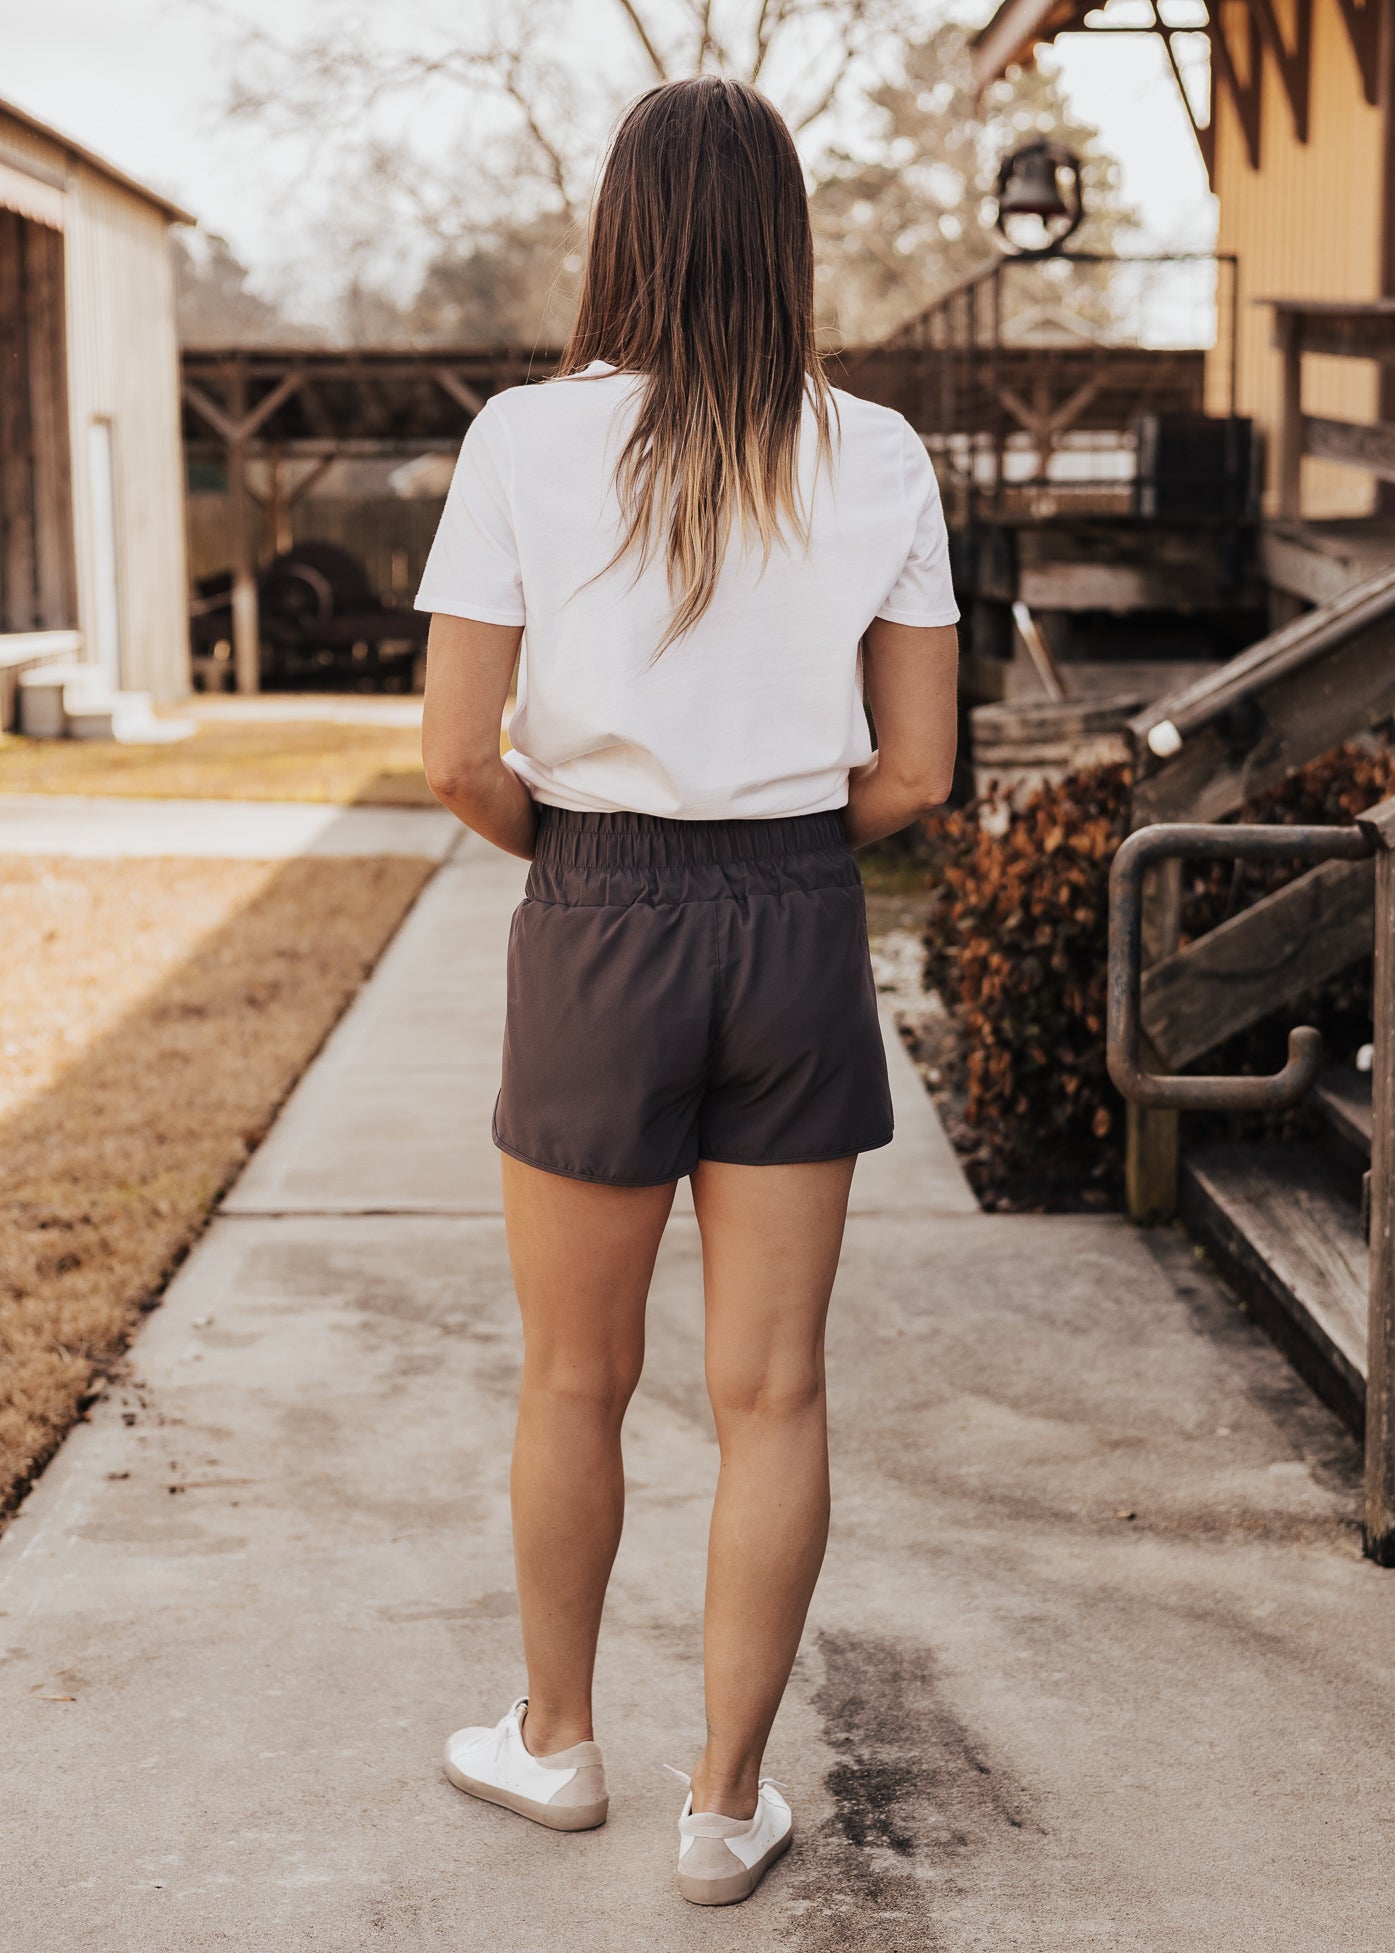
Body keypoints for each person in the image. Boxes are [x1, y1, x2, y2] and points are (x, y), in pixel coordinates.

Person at [415, 73, 959, 1908]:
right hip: (798, 911)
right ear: (786, 239)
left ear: (620, 230)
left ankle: (555, 1744)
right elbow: (914, 773)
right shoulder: (878, 450)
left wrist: (591, 868)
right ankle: (725, 1807)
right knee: (774, 1391)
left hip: (597, 904)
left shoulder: (520, 440)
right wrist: (775, 845)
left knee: (576, 1371)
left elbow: (456, 758)